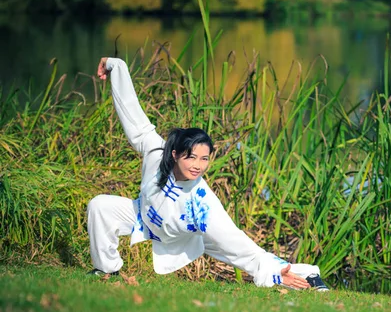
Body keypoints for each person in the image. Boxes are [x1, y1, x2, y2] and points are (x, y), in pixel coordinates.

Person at [87, 57, 328, 291]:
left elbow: (238, 242)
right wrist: (115, 66)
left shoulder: (202, 203)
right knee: (100, 206)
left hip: (186, 233)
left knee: (239, 254)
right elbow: (132, 113)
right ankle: (106, 270)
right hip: (143, 216)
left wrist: (273, 273)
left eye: (204, 159)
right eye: (191, 157)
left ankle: (307, 274)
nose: (198, 166)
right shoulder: (155, 151)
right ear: (174, 154)